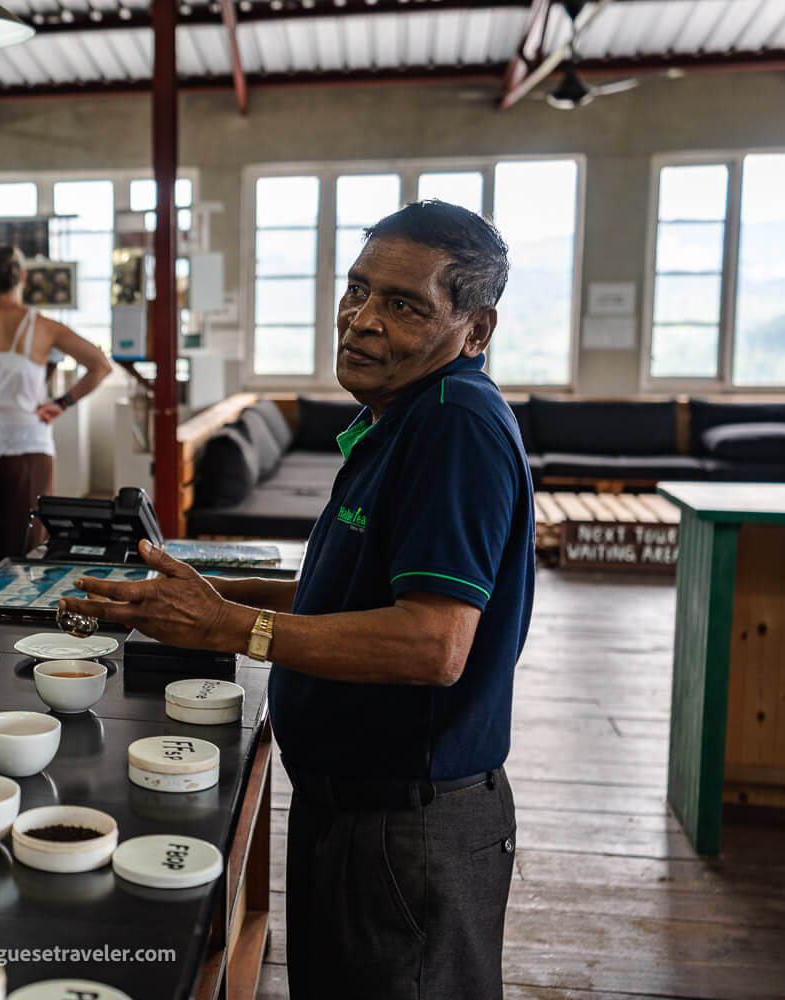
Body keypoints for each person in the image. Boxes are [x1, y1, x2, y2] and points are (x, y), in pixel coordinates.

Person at [61, 200, 534, 999]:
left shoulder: (453, 427)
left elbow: (432, 644)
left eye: (403, 304)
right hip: (351, 809)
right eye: (357, 290)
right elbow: (339, 592)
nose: (362, 319)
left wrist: (233, 626)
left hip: (407, 826)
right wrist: (192, 594)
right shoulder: (400, 416)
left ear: (476, 330)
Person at [0, 246, 113, 592]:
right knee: (26, 540)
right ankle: (21, 612)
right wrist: (62, 403)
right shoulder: (45, 327)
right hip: (29, 442)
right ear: (23, 278)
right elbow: (100, 364)